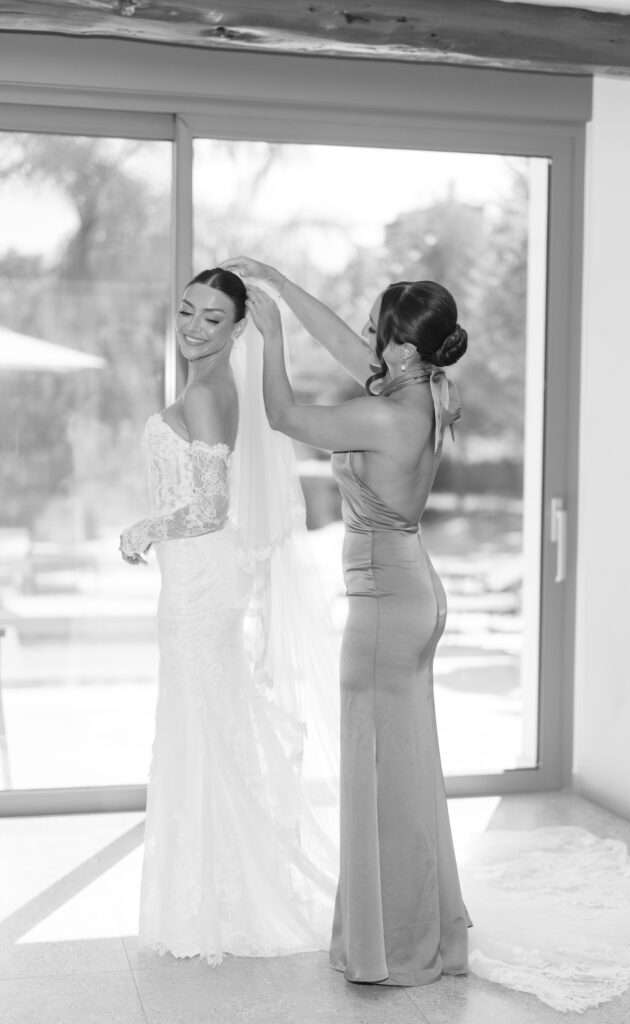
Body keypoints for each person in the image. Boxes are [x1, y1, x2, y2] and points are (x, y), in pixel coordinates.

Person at [222, 256, 472, 987]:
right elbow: (343, 343)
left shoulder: (386, 412)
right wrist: (279, 282)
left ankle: (390, 947)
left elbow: (284, 416)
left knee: (377, 783)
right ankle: (420, 933)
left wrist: (270, 339)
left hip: (385, 609)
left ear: (402, 345)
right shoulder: (421, 386)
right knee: (405, 778)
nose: (364, 337)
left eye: (376, 330)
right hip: (408, 591)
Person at [119, 268, 340, 965]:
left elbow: (210, 506)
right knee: (203, 721)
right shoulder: (206, 385)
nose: (192, 326)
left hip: (198, 578)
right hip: (198, 575)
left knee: (197, 722)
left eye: (212, 318)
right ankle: (214, 894)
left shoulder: (211, 392)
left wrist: (144, 527)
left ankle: (213, 905)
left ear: (237, 329)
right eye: (186, 310)